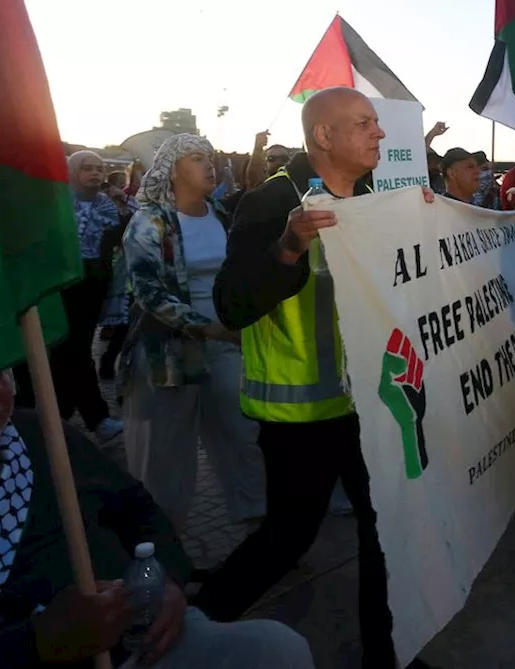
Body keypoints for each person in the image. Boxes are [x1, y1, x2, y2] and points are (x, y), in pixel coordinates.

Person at [197, 87, 426, 668]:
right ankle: (186, 629)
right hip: (300, 415)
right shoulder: (271, 202)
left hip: (372, 402)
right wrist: (290, 247)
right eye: (364, 123)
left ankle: (387, 653)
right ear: (323, 136)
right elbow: (232, 304)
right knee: (289, 537)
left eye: (378, 123)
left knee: (385, 532)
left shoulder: (378, 198)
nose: (379, 133)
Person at [0, 370, 314, 669]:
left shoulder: (39, 434)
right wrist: (35, 644)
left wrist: (166, 581)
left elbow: (138, 508)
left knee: (276, 648)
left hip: (146, 644)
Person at [118, 134, 266, 533]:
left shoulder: (218, 212)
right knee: (166, 456)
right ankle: (162, 545)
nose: (210, 165)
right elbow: (148, 293)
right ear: (172, 168)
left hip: (226, 346)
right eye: (197, 158)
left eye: (210, 157)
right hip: (169, 354)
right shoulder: (150, 222)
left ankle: (256, 523)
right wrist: (210, 329)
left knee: (243, 435)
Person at [13, 151, 123, 442]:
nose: (95, 174)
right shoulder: (55, 204)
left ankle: (74, 416)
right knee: (56, 351)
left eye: (99, 169)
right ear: (71, 172)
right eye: (87, 168)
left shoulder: (108, 207)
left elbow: (119, 234)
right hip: (57, 284)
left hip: (91, 285)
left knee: (76, 350)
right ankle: (72, 417)